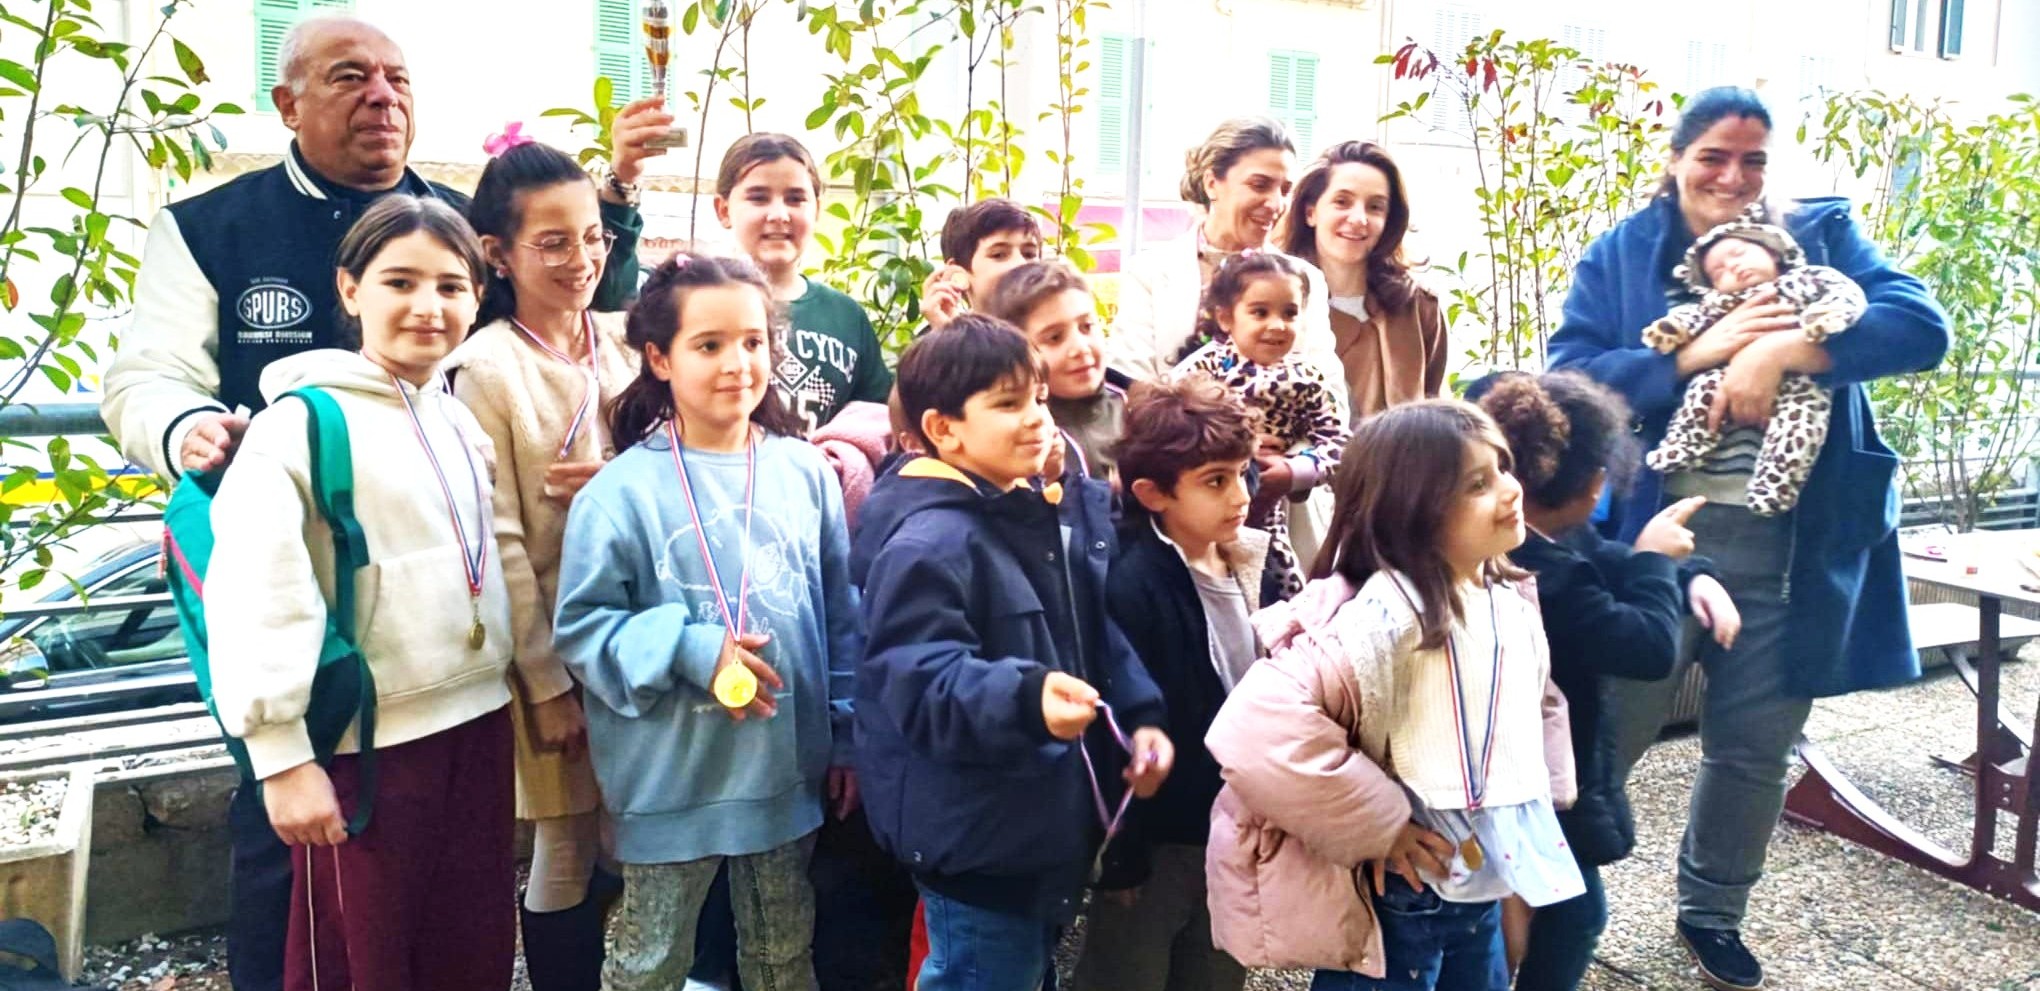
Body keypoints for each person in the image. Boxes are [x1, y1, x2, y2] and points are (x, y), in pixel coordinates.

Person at [98, 18, 662, 986]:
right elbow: (144, 375)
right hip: (317, 636)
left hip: (457, 680)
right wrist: (186, 426)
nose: (381, 97)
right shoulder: (211, 227)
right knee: (303, 877)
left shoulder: (453, 246)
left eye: (398, 78)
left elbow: (569, 294)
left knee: (455, 903)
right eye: (350, 77)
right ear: (287, 103)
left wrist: (619, 195)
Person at [1548, 86, 1949, 991]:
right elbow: (1570, 376)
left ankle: (1713, 912)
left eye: (1754, 159)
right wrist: (1699, 352)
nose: (1733, 177)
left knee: (1755, 748)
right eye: (1713, 157)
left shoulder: (1822, 235)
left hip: (1788, 551)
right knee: (1604, 733)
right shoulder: (1623, 252)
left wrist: (1784, 351)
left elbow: (1921, 328)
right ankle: (1559, 897)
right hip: (1654, 542)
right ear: (1676, 160)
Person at [204, 195, 515, 990]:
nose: (428, 306)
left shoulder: (457, 421)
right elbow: (257, 592)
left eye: (451, 286)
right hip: (365, 748)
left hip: (477, 725)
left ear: (477, 297)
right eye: (400, 281)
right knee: (359, 962)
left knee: (468, 950)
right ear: (350, 289)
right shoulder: (300, 426)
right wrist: (281, 757)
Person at [551, 254, 862, 991]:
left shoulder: (805, 472)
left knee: (783, 956)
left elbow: (840, 615)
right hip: (671, 780)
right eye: (709, 344)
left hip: (783, 773)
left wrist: (847, 734)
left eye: (753, 342)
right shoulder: (619, 492)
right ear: (660, 358)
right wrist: (692, 649)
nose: (737, 363)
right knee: (650, 962)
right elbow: (583, 628)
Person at [1203, 400, 1583, 991]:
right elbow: (1255, 730)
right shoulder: (1382, 620)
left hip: (1477, 875)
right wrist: (1380, 825)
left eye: (1503, 469)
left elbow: (1537, 699)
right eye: (1477, 484)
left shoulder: (1502, 596)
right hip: (1405, 896)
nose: (1511, 490)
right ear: (1413, 511)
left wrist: (1540, 799)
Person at [851, 314, 1176, 991]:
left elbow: (1093, 629)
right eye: (1008, 404)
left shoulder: (1027, 509)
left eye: (1038, 398)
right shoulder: (928, 543)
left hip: (1035, 828)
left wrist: (1140, 716)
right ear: (944, 429)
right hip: (978, 840)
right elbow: (921, 681)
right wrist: (1026, 698)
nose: (1037, 419)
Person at [1471, 371, 1740, 991]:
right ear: (1594, 483)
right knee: (1571, 916)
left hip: (1518, 774)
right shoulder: (1543, 575)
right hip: (1538, 778)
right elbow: (1645, 646)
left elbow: (1602, 556)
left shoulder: (1523, 540)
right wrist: (1656, 561)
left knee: (1529, 913)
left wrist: (1691, 574)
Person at [443, 139, 635, 991]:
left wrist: (623, 477)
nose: (581, 259)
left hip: (638, 636)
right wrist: (546, 680)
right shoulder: (486, 368)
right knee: (566, 837)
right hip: (554, 642)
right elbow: (499, 539)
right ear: (498, 252)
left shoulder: (627, 342)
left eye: (593, 236)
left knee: (631, 827)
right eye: (552, 242)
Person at [1070, 375, 1266, 991]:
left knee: (1216, 968)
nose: (1241, 495)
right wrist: (1123, 852)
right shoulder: (1134, 584)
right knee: (1130, 969)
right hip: (1162, 839)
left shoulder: (1247, 559)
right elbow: (1119, 728)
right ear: (1153, 494)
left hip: (1235, 826)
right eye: (1216, 481)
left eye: (1244, 473)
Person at [1639, 203, 1867, 516]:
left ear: (1772, 250)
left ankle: (1775, 487)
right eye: (1719, 272)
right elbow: (1694, 316)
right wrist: (1676, 332)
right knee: (1702, 388)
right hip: (1719, 386)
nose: (1733, 267)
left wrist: (1822, 321)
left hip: (1802, 382)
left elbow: (1846, 294)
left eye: (1740, 253)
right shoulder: (1721, 301)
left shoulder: (1804, 279)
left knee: (1799, 426)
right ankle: (1684, 445)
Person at [1108, 117, 1337, 388]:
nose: (1276, 204)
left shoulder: (1305, 279)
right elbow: (1130, 384)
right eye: (1259, 185)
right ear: (1211, 184)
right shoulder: (1149, 272)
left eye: (1285, 190)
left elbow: (1328, 390)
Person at [1175, 252, 1350, 599]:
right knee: (1198, 584)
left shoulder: (1306, 378)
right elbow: (1166, 425)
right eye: (1260, 312)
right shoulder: (1204, 369)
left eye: (1289, 313)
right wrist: (1235, 448)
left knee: (1280, 590)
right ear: (1226, 318)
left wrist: (1295, 471)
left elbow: (1340, 444)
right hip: (1199, 507)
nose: (1277, 325)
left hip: (1267, 515)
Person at [714, 132, 892, 433]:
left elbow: (877, 418)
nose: (779, 215)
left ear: (817, 209)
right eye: (758, 198)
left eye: (795, 199)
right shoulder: (699, 305)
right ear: (723, 210)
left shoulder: (846, 315)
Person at [1278, 140, 1447, 419]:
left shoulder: (1420, 307)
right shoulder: (1279, 304)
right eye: (1342, 202)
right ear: (1311, 212)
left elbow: (1437, 410)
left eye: (1375, 207)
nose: (1359, 218)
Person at [980, 259, 1128, 482]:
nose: (1080, 348)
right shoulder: (1017, 435)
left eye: (1086, 327)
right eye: (1055, 338)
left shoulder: (1139, 409)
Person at [920, 198, 1045, 330]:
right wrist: (950, 335)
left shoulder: (1055, 332)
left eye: (1029, 254)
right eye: (999, 255)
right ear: (957, 272)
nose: (1020, 263)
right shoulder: (940, 334)